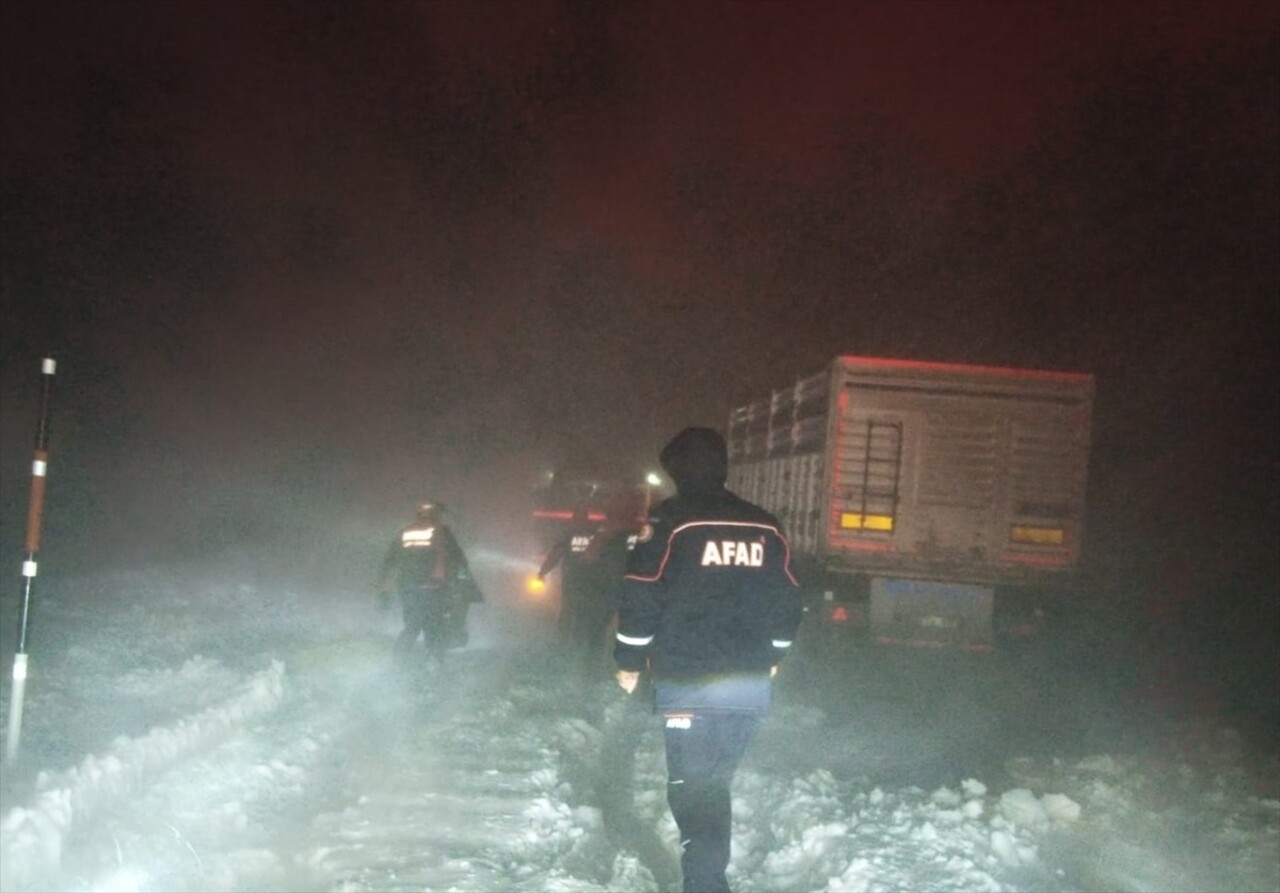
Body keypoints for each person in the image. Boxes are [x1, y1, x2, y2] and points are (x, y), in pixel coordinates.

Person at [613, 427, 803, 893]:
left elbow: (642, 594)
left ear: (677, 470)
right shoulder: (764, 524)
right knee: (713, 786)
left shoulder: (669, 521)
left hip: (688, 679)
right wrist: (775, 654)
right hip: (748, 684)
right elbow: (788, 597)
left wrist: (628, 659)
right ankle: (707, 877)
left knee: (693, 790)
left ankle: (704, 885)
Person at [538, 491, 642, 676]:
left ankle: (589, 664)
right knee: (587, 621)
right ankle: (587, 660)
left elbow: (589, 557)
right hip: (617, 586)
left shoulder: (606, 531)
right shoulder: (629, 530)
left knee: (593, 625)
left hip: (606, 585)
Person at [377, 501, 482, 662]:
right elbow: (457, 557)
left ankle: (399, 660)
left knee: (412, 624)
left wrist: (384, 589)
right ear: (436, 515)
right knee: (434, 624)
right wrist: (465, 579)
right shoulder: (441, 532)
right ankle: (434, 662)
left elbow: (389, 561)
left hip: (407, 586)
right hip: (434, 586)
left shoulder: (404, 532)